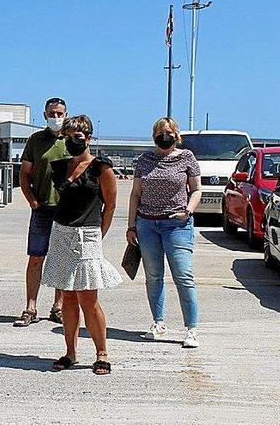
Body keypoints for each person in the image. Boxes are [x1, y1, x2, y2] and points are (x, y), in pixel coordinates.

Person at [41, 115, 122, 375]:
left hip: (87, 235)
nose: (72, 141)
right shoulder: (60, 167)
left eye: (77, 137)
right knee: (67, 298)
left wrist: (100, 234)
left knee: (89, 298)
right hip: (62, 233)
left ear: (88, 138)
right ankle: (70, 352)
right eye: (67, 137)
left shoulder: (101, 167)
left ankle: (102, 353)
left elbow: (110, 205)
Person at [127, 117, 202, 348]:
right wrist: (131, 226)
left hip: (176, 225)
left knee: (183, 276)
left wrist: (187, 211)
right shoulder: (145, 159)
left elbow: (197, 189)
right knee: (153, 276)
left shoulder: (187, 157)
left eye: (168, 132)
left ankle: (191, 329)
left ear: (176, 134)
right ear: (153, 136)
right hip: (147, 224)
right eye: (160, 132)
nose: (164, 136)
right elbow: (135, 194)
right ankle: (158, 322)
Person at [15, 97, 67, 327]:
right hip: (42, 209)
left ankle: (59, 306)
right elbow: (24, 174)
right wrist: (32, 201)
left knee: (63, 259)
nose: (56, 117)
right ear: (45, 115)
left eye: (60, 113)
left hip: (67, 211)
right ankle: (30, 306)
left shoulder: (72, 139)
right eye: (52, 113)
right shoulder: (35, 140)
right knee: (36, 258)